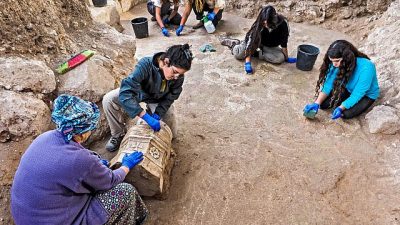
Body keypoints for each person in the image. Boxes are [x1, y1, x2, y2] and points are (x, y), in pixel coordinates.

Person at [11, 94, 148, 225]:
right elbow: (111, 180)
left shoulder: (45, 137)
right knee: (125, 191)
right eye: (91, 128)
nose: (92, 130)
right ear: (82, 134)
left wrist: (94, 165)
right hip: (56, 221)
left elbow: (67, 163)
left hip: (26, 217)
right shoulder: (80, 160)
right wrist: (126, 166)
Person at [103, 44, 193, 152]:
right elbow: (126, 91)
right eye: (175, 72)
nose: (177, 77)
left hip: (159, 99)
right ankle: (118, 134)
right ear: (166, 62)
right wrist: (144, 116)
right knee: (109, 100)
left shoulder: (178, 76)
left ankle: (163, 135)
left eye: (180, 74)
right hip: (139, 93)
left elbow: (170, 97)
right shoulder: (145, 64)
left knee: (171, 133)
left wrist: (158, 113)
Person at [303, 40, 380, 120]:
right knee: (323, 104)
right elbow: (328, 83)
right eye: (332, 61)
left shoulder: (367, 67)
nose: (334, 64)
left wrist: (341, 108)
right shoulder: (335, 62)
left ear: (347, 58)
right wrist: (317, 103)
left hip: (366, 95)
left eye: (337, 61)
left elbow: (358, 93)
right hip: (348, 88)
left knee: (345, 114)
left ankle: (344, 105)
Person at [221, 5, 295, 74]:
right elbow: (250, 44)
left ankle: (255, 53)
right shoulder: (259, 24)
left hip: (267, 46)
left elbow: (284, 41)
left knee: (280, 58)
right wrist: (247, 63)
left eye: (267, 23)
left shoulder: (282, 24)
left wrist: (286, 58)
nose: (265, 25)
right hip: (254, 42)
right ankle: (234, 44)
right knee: (239, 54)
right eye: (264, 23)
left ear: (273, 19)